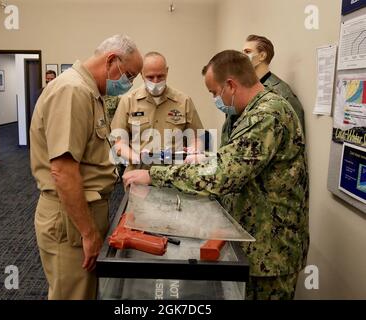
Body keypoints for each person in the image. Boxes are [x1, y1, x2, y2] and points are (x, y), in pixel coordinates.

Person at [123, 50, 309, 300]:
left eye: (214, 93)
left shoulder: (266, 115)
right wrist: (208, 159)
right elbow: (239, 161)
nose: (214, 99)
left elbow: (222, 175)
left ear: (230, 85)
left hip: (270, 251)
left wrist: (153, 175)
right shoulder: (249, 113)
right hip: (252, 241)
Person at [30, 34, 143, 300]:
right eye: (129, 75)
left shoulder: (91, 91)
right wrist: (88, 232)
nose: (129, 83)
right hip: (71, 219)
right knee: (74, 294)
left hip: (83, 211)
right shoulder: (73, 91)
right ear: (112, 61)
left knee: (87, 291)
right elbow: (63, 171)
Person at [110, 51, 204, 171]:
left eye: (160, 76)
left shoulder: (183, 101)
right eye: (150, 77)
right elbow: (118, 142)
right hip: (138, 173)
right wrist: (135, 157)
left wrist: (194, 150)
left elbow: (197, 137)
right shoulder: (128, 101)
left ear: (167, 72)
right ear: (142, 74)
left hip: (174, 175)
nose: (155, 81)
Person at [221, 35, 305, 147]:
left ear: (262, 55)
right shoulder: (241, 89)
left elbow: (295, 136)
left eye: (247, 51)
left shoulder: (281, 92)